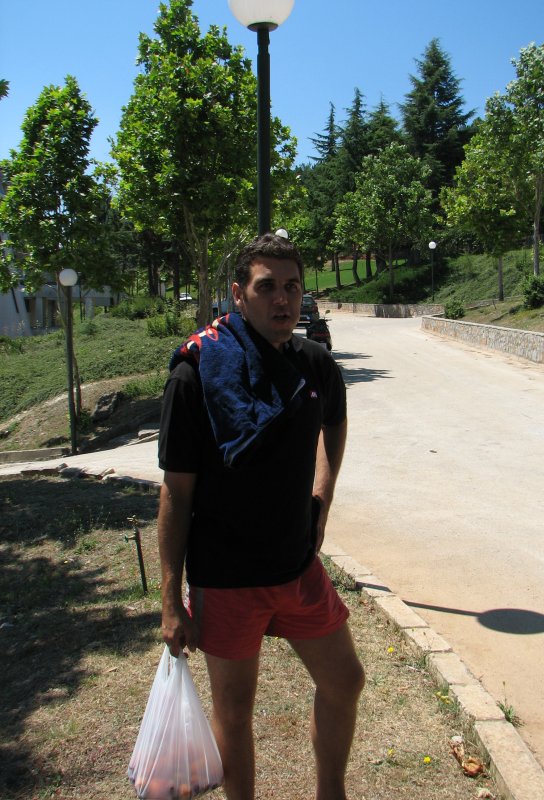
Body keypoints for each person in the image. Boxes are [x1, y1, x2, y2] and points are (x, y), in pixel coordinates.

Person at [157, 232, 365, 800]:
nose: (282, 299)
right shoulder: (196, 374)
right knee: (235, 710)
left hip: (297, 568)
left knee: (345, 680)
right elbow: (176, 493)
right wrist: (171, 600)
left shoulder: (315, 364)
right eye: (266, 286)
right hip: (227, 578)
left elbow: (335, 422)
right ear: (238, 294)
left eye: (292, 287)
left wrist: (322, 498)